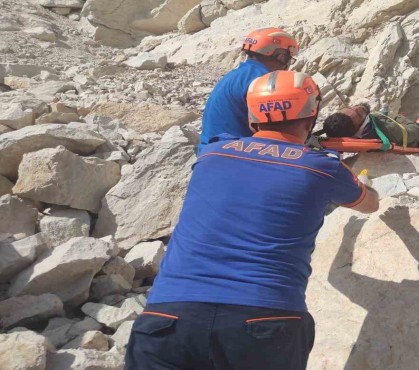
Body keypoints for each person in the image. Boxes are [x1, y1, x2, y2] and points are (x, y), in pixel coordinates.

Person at [126, 71, 380, 370]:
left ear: (252, 116)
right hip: (265, 319)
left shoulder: (210, 155)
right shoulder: (322, 168)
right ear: (311, 116)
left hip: (168, 317)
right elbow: (369, 204)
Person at [198, 27, 299, 152]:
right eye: (289, 58)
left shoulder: (237, 74)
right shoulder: (263, 82)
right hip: (233, 155)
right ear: (281, 57)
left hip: (211, 151)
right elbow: (277, 132)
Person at [322, 103, 419, 151]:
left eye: (349, 108)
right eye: (359, 112)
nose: (357, 107)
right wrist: (398, 116)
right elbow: (417, 132)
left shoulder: (353, 130)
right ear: (357, 126)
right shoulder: (384, 131)